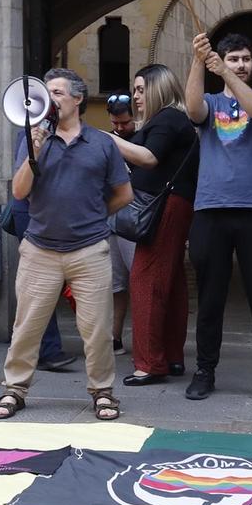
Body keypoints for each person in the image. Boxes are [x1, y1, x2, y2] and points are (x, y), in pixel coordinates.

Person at [0, 67, 132, 422]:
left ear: (78, 99)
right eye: (46, 92)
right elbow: (19, 192)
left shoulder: (101, 143)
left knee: (97, 328)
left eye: (56, 92)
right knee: (27, 326)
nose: (49, 99)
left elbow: (124, 193)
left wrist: (96, 216)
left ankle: (102, 392)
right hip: (40, 250)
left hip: (89, 251)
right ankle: (14, 389)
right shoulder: (32, 138)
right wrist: (35, 150)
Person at [181, 29, 252, 407]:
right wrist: (197, 60)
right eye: (233, 60)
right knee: (210, 300)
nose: (241, 65)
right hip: (210, 211)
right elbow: (193, 110)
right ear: (220, 62)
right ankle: (204, 371)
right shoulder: (210, 101)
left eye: (245, 59)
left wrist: (224, 73)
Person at [121, 64, 198, 387]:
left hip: (163, 206)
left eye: (141, 90)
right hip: (174, 204)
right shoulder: (172, 120)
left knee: (146, 279)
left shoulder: (167, 118)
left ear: (158, 89)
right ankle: (171, 355)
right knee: (171, 281)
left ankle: (150, 363)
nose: (136, 97)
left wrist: (105, 140)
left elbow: (150, 157)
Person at [4, 128, 79, 373]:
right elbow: (24, 179)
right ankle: (47, 350)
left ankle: (39, 348)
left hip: (38, 212)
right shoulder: (33, 128)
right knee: (39, 283)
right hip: (32, 212)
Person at [105, 92, 139, 351]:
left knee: (139, 281)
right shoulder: (107, 141)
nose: (119, 128)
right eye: (114, 124)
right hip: (109, 220)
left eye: (124, 123)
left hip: (136, 221)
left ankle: (145, 339)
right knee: (115, 285)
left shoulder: (144, 141)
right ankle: (114, 338)